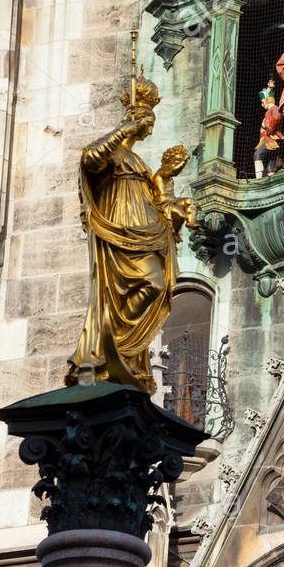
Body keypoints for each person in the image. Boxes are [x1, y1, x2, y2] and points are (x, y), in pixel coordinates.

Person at [65, 73, 194, 394]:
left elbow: (160, 207)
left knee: (155, 283)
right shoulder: (112, 153)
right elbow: (89, 160)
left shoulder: (140, 163)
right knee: (136, 286)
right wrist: (123, 130)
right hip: (116, 231)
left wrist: (177, 207)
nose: (149, 129)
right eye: (147, 122)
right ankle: (107, 345)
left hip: (144, 232)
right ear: (135, 120)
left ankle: (122, 347)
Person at [153, 144, 199, 235]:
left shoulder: (170, 178)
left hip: (173, 202)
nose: (179, 163)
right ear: (168, 161)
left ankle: (190, 222)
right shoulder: (162, 171)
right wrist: (184, 161)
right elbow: (174, 171)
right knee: (181, 215)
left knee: (190, 202)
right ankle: (174, 232)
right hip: (163, 204)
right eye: (176, 161)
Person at [253, 81, 284, 179]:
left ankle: (258, 180)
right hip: (270, 138)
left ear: (267, 100)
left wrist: (270, 127)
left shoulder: (274, 108)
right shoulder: (270, 110)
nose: (262, 105)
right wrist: (270, 89)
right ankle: (271, 177)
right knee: (271, 164)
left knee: (257, 155)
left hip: (271, 139)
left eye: (263, 102)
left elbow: (276, 118)